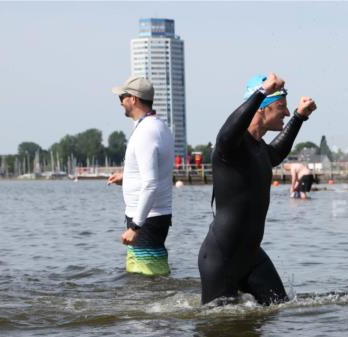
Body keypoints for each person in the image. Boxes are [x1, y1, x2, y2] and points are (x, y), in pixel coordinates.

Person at [197, 73, 316, 306]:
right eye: (281, 107)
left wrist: (300, 118)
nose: (286, 112)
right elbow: (228, 131)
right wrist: (262, 91)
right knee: (221, 329)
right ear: (261, 108)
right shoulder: (230, 147)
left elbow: (276, 152)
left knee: (281, 308)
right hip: (222, 258)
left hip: (251, 256)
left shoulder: (259, 149)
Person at [107, 76, 175, 276]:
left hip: (147, 219)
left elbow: (151, 183)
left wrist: (136, 227)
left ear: (134, 99)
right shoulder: (157, 126)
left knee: (146, 278)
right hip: (151, 216)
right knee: (145, 275)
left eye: (122, 97)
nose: (120, 102)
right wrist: (126, 178)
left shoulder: (147, 131)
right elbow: (155, 171)